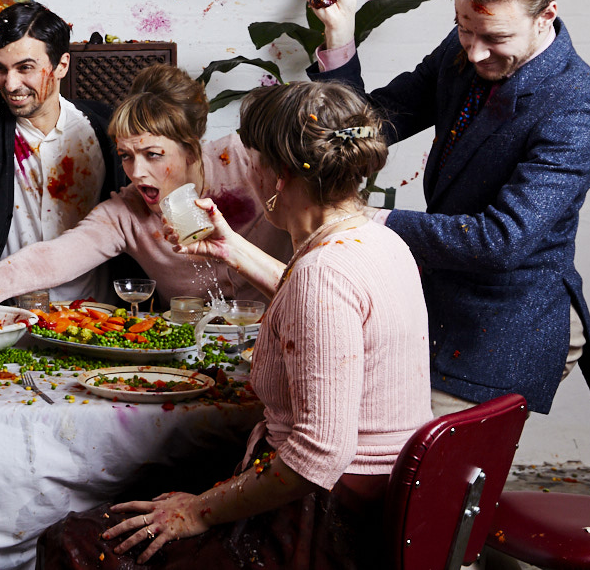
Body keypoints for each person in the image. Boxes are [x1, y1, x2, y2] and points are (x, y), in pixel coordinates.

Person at [39, 81, 432, 569]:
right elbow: (308, 296)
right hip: (380, 500)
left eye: (255, 158)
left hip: (326, 522)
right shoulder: (377, 240)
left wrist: (198, 512)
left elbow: (318, 456)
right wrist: (230, 248)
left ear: (277, 175)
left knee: (72, 542)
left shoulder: (323, 275)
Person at [305, 0, 590, 416]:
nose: (473, 52)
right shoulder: (464, 47)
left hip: (510, 320)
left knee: (421, 474)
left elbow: (501, 239)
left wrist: (362, 220)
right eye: (464, 28)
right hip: (440, 298)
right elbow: (370, 128)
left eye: (495, 37)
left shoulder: (580, 107)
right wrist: (340, 34)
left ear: (546, 16)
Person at [0, 63, 289, 332]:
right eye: (126, 156)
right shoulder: (126, 211)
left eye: (153, 155)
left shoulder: (247, 161)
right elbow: (55, 257)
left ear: (192, 152)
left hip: (286, 335)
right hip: (194, 352)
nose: (136, 172)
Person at [0, 2, 125, 301]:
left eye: (25, 68)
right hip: (6, 314)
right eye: (1, 69)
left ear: (62, 66)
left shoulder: (106, 127)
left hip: (94, 317)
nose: (10, 84)